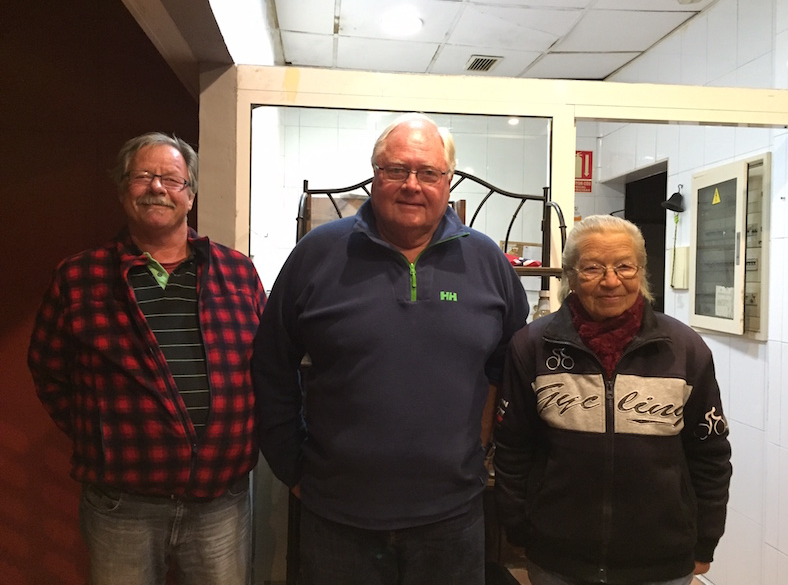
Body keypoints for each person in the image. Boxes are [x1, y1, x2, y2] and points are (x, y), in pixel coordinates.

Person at [251, 113, 529, 585]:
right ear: (375, 175)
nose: (412, 185)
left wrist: (480, 448)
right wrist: (290, 465)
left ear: (448, 180)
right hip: (337, 519)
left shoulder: (487, 260)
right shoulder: (318, 253)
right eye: (396, 170)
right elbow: (271, 363)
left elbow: (510, 368)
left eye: (428, 172)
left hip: (452, 517)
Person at [28, 132, 267, 585]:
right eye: (143, 176)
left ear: (190, 195)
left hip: (221, 502)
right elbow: (48, 370)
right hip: (122, 506)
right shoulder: (78, 277)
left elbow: (265, 367)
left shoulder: (238, 272)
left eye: (172, 179)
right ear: (123, 190)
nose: (157, 187)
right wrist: (99, 431)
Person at [493, 214, 732, 585]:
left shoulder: (685, 349)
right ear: (570, 276)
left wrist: (706, 539)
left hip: (661, 562)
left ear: (641, 272)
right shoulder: (532, 347)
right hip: (557, 561)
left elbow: (710, 454)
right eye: (592, 268)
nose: (610, 281)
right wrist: (519, 528)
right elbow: (512, 449)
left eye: (624, 266)